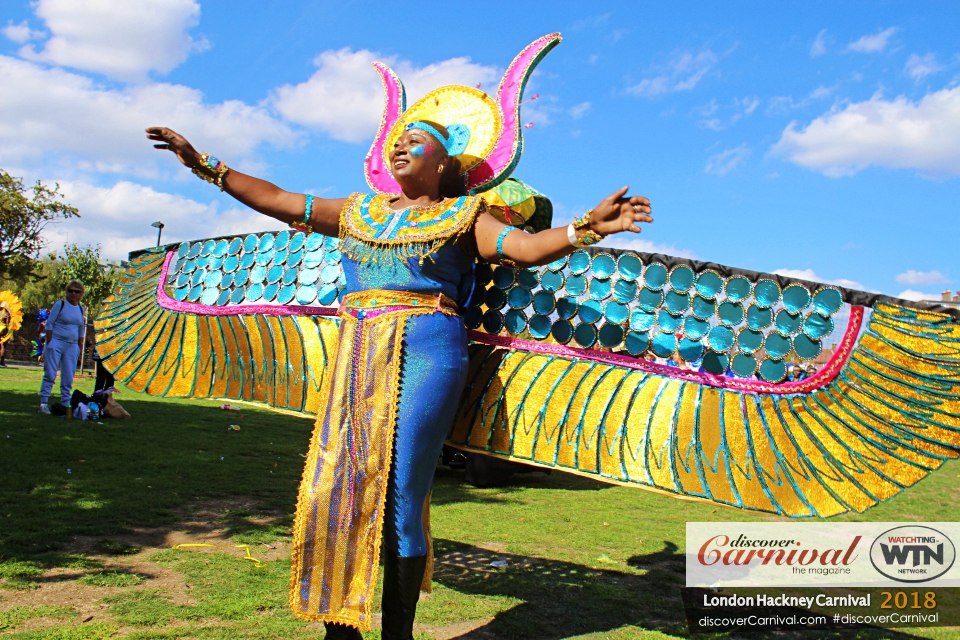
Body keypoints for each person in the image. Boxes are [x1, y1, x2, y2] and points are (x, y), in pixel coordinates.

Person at [146, 88, 652, 640]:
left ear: (442, 162)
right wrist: (203, 163)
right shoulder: (357, 212)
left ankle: (398, 633)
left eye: (415, 141)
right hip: (358, 349)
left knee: (400, 494)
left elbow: (527, 250)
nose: (400, 148)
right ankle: (340, 626)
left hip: (429, 349)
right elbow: (278, 198)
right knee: (335, 483)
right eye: (396, 143)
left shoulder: (465, 215)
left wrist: (587, 226)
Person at [39, 281, 86, 414]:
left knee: (68, 375)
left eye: (76, 291)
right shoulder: (60, 305)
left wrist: (80, 346)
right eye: (70, 290)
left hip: (71, 345)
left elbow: (81, 328)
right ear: (67, 292)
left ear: (80, 294)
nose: (73, 293)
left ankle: (66, 403)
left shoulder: (80, 309)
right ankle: (43, 403)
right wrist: (50, 342)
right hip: (57, 342)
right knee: (50, 373)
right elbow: (50, 323)